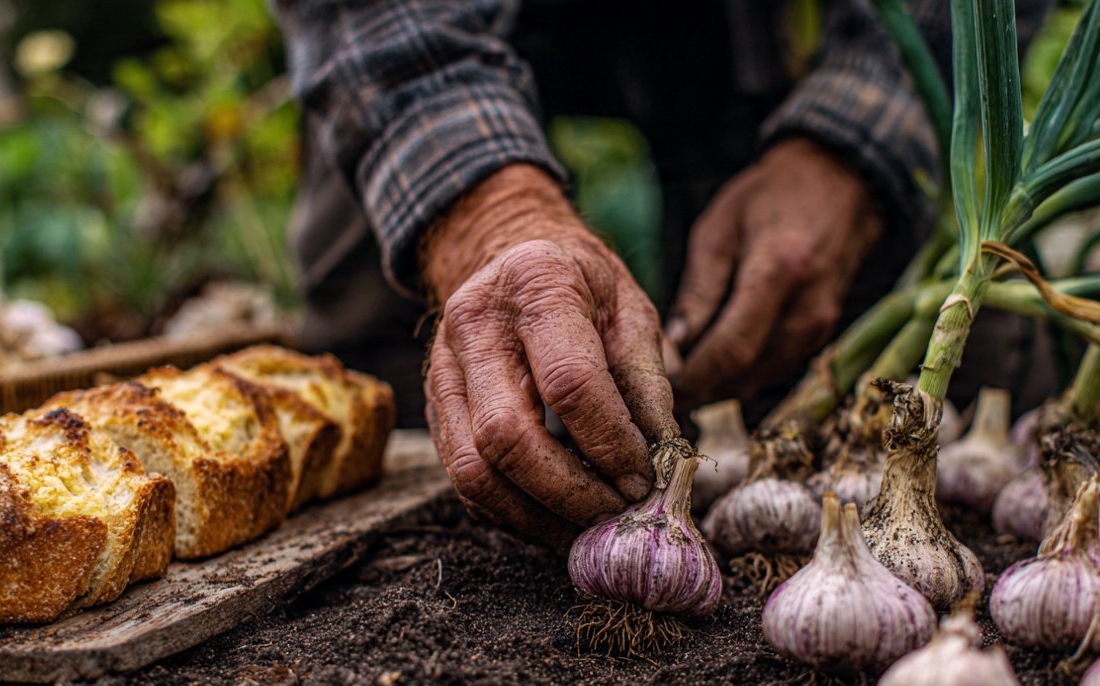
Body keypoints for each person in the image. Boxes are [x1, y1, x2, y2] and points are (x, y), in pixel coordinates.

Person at [273, 0, 1049, 543]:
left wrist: (853, 137)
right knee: (382, 362)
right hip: (419, 20)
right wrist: (484, 215)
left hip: (744, 25)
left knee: (826, 307)